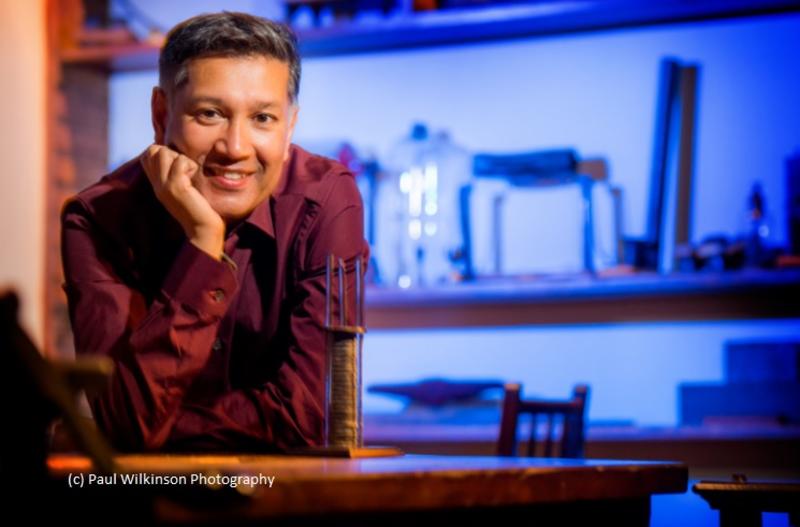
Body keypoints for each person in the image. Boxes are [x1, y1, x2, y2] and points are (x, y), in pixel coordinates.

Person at [60, 12, 367, 452]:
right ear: (161, 113)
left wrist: (155, 430)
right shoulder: (97, 218)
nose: (236, 148)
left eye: (263, 118)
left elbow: (310, 421)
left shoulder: (325, 201)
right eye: (210, 114)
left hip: (291, 501)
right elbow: (126, 423)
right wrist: (204, 241)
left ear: (290, 126)